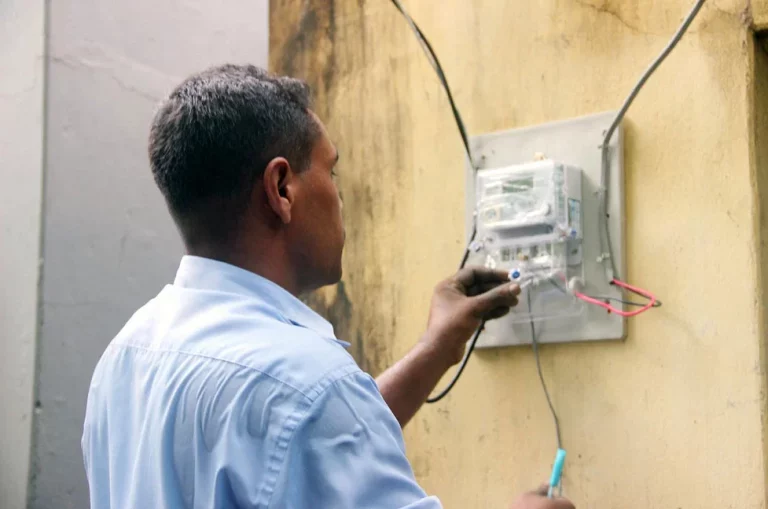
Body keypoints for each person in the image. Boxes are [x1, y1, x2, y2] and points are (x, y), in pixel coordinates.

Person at [81, 64, 575, 509]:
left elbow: (290, 452)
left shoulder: (126, 356)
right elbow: (305, 422)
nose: (339, 197)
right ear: (281, 189)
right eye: (331, 170)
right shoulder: (305, 385)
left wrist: (436, 347)